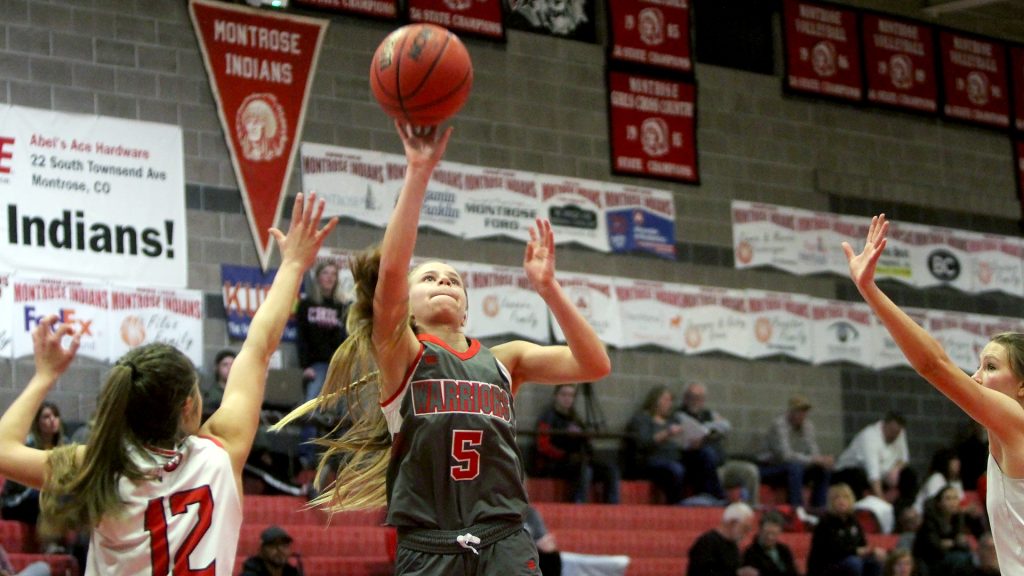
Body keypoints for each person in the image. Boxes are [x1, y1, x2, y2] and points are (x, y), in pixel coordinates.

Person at [277, 123, 611, 574]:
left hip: (505, 539)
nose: (444, 282)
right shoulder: (401, 353)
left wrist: (549, 288)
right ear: (407, 304)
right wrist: (418, 172)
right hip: (429, 544)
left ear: (466, 309)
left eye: (454, 280)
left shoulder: (505, 359)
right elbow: (390, 273)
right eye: (429, 278)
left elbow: (595, 363)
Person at [0, 192, 336, 575]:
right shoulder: (219, 454)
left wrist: (44, 376)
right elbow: (258, 349)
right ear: (187, 406)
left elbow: (4, 449)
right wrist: (292, 265)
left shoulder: (98, 465)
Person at [843, 213, 1024, 571]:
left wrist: (870, 291)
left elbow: (934, 365)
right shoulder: (1004, 435)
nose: (975, 377)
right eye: (978, 366)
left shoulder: (1016, 421)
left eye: (990, 367)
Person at [533, 384, 620, 503]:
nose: (567, 398)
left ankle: (612, 506)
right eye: (564, 394)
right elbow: (543, 446)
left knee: (610, 470)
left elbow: (586, 441)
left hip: (578, 461)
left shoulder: (576, 418)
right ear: (556, 396)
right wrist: (565, 455)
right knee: (585, 470)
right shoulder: (548, 417)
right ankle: (578, 504)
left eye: (571, 395)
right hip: (555, 463)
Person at [758, 394, 833, 515]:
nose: (802, 415)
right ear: (791, 411)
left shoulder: (808, 426)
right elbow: (785, 456)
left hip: (796, 467)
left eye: (805, 411)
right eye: (799, 411)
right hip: (770, 467)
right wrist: (814, 459)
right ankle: (797, 511)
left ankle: (818, 510)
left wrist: (822, 461)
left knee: (822, 470)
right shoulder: (779, 425)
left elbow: (813, 452)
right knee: (795, 467)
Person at [1, 402, 67, 526]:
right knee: (45, 495)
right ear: (37, 422)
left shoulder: (64, 446)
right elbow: (18, 484)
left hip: (44, 497)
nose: (52, 420)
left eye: (55, 415)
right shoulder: (28, 444)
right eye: (46, 417)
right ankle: (50, 537)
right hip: (17, 499)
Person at [623, 386, 687, 504]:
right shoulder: (642, 418)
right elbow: (643, 442)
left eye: (671, 400)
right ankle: (676, 506)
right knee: (675, 470)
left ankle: (710, 502)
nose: (669, 404)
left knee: (701, 459)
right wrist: (666, 433)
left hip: (675, 457)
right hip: (651, 461)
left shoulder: (673, 420)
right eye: (666, 400)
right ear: (655, 400)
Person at [806, 483, 885, 576]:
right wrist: (856, 551)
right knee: (853, 563)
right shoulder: (825, 523)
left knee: (875, 562)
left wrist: (872, 551)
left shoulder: (853, 521)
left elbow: (862, 544)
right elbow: (832, 551)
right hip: (827, 565)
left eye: (845, 497)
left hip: (850, 560)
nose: (841, 501)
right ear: (831, 502)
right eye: (837, 498)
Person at [833, 412, 911, 503]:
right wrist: (881, 502)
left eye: (897, 433)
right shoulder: (870, 437)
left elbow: (904, 459)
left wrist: (896, 470)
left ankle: (904, 508)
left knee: (908, 475)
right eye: (891, 431)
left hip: (882, 474)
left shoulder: (899, 433)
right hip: (849, 473)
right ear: (884, 425)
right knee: (857, 477)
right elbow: (873, 473)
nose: (893, 435)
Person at [912, 485, 972, 574]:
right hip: (929, 560)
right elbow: (934, 546)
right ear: (939, 503)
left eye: (955, 498)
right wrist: (955, 543)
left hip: (949, 556)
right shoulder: (930, 520)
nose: (953, 502)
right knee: (960, 559)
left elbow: (961, 542)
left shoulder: (958, 518)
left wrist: (953, 543)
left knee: (969, 557)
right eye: (948, 498)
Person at [686, 502, 758, 576]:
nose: (746, 533)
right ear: (732, 523)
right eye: (745, 528)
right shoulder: (706, 543)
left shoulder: (733, 545)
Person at [742, 510, 800, 576]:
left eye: (774, 534)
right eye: (767, 533)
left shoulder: (784, 550)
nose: (770, 537)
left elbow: (793, 571)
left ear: (779, 533)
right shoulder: (750, 553)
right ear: (760, 531)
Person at [913, 448, 963, 514]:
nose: (958, 463)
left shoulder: (956, 481)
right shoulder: (936, 479)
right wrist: (965, 510)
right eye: (954, 460)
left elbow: (959, 502)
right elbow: (935, 506)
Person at [202, 349, 236, 420]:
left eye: (233, 364)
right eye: (225, 365)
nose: (229, 368)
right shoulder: (209, 394)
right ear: (217, 368)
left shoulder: (242, 392)